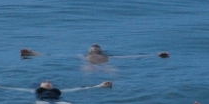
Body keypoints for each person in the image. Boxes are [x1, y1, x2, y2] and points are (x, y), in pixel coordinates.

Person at [20, 43, 169, 65]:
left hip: (96, 65)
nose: (95, 47)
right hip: (98, 65)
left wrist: (155, 55)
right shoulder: (84, 56)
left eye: (96, 47)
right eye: (93, 46)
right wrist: (32, 53)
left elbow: (133, 56)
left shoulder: (86, 56)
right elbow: (52, 56)